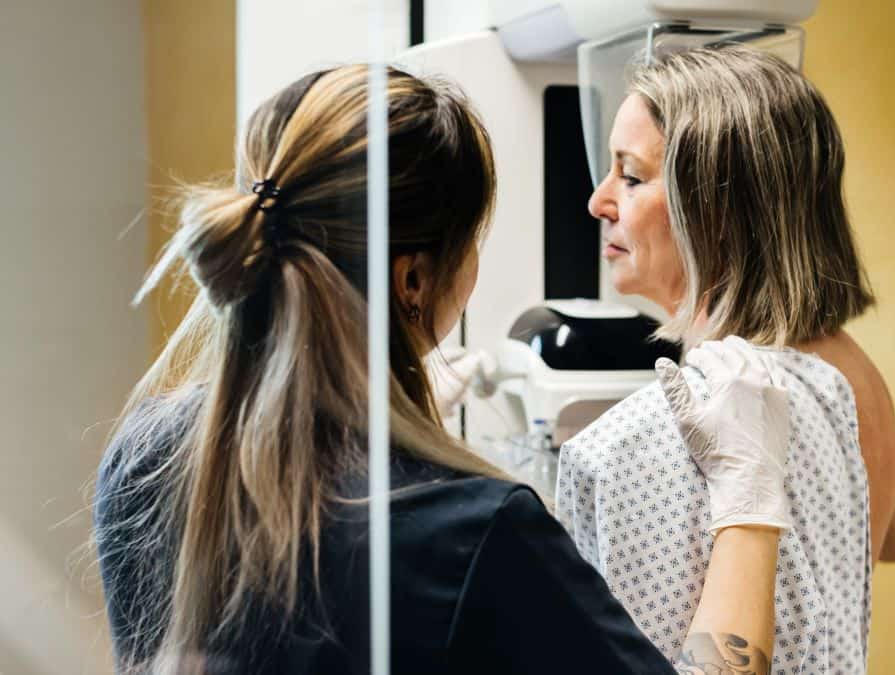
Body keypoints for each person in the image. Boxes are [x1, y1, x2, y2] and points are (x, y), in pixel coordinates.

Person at [92, 65, 793, 674]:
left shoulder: (143, 457)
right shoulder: (479, 533)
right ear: (414, 279)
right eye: (473, 238)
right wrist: (749, 504)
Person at [555, 44, 895, 674]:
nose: (598, 201)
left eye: (631, 177)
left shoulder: (690, 418)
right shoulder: (847, 373)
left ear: (715, 212)